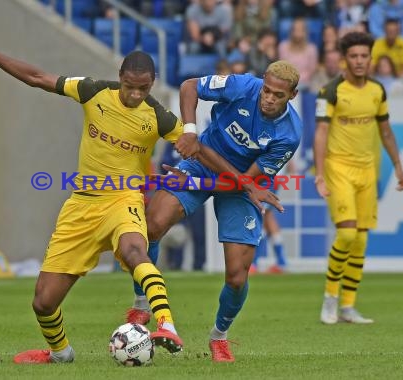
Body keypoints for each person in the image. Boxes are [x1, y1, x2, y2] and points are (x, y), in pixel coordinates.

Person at [0, 21, 196, 363]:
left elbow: (195, 147)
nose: (135, 94)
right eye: (130, 86)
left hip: (123, 201)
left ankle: (167, 325)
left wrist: (202, 159)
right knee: (43, 301)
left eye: (143, 88)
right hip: (81, 207)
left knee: (134, 251)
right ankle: (60, 353)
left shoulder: (159, 116)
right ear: (120, 76)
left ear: (152, 83)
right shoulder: (93, 91)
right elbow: (38, 77)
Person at [127, 61, 303, 362]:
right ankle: (141, 304)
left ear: (293, 95)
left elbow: (242, 183)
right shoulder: (243, 86)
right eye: (267, 91)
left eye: (279, 95)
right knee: (151, 226)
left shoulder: (288, 135)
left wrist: (195, 179)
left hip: (242, 186)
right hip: (201, 160)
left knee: (236, 276)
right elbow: (189, 86)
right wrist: (191, 132)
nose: (269, 98)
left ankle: (219, 336)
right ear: (262, 83)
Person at [314, 31, 403, 325]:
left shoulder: (378, 91)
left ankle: (348, 306)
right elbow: (321, 133)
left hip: (368, 170)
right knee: (347, 234)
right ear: (345, 59)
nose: (358, 61)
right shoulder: (330, 91)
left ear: (370, 59)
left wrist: (398, 165)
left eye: (363, 56)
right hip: (338, 168)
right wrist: (319, 174)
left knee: (361, 242)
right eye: (353, 56)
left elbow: (386, 130)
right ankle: (330, 299)